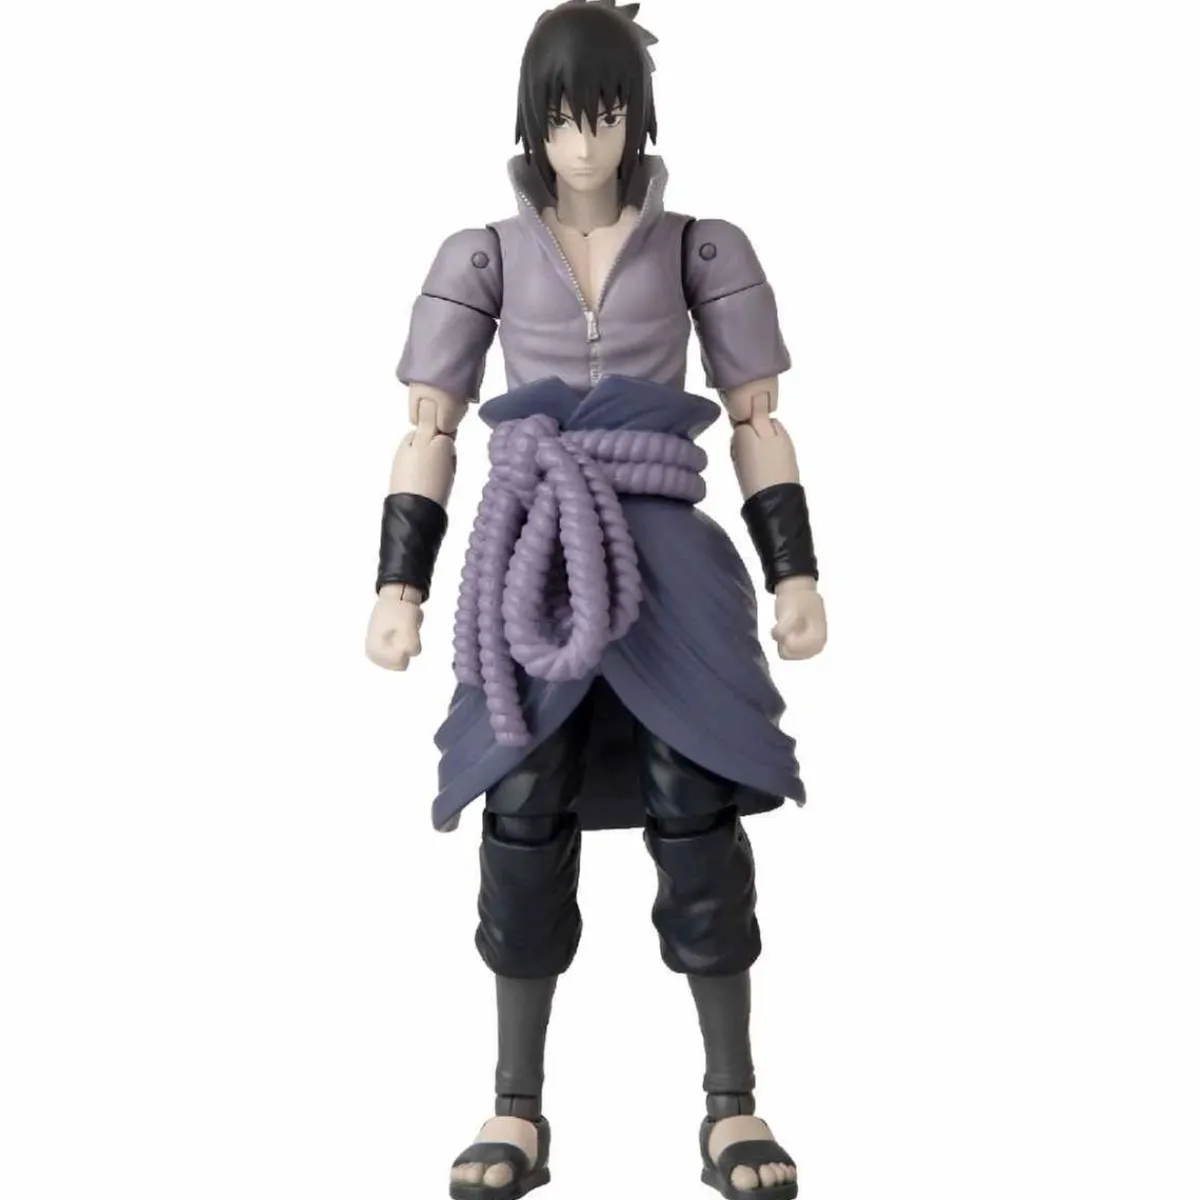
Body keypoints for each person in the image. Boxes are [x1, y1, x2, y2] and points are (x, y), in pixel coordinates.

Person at [365, 2, 827, 1196]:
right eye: (565, 118)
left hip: (668, 554)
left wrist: (795, 571)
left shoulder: (699, 250)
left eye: (607, 114)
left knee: (698, 815)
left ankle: (733, 1105)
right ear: (534, 121)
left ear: (637, 117)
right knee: (521, 811)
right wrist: (399, 584)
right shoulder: (480, 257)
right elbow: (428, 427)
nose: (585, 143)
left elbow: (759, 421)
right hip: (532, 550)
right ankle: (514, 1108)